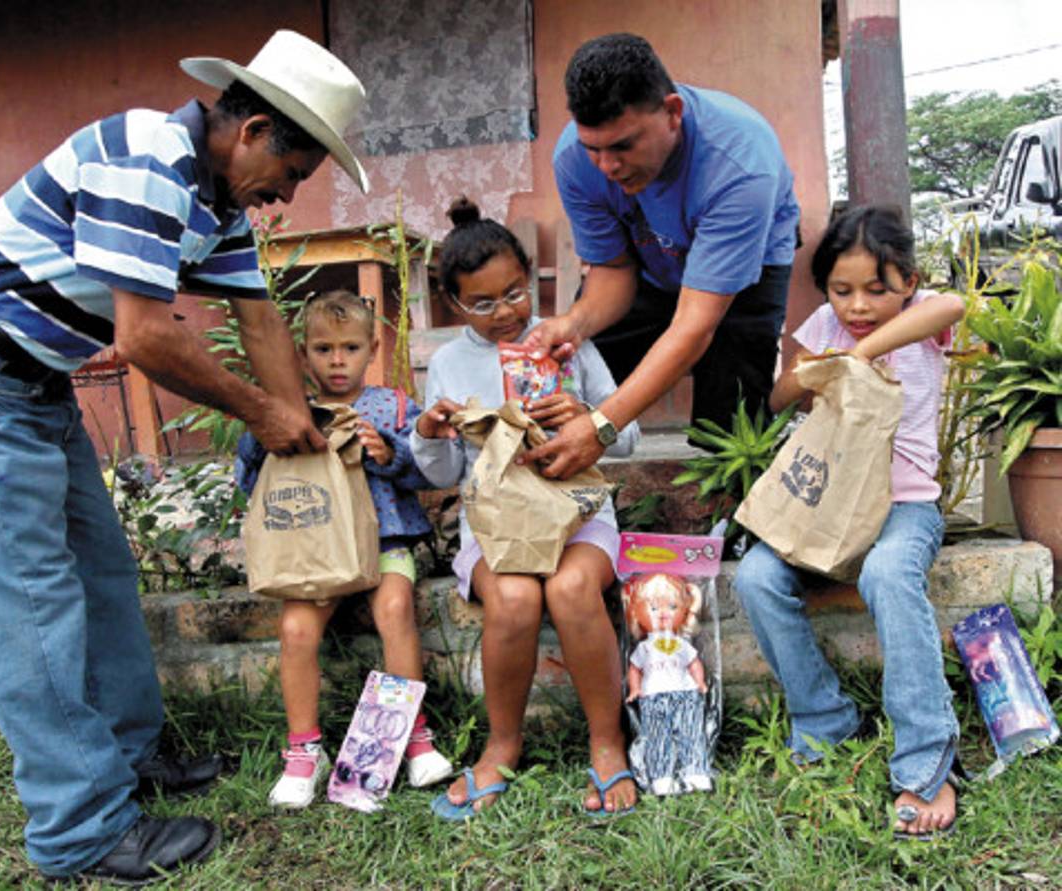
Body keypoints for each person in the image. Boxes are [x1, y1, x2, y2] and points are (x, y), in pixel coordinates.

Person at [0, 30, 370, 885]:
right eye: (290, 176)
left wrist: (305, 426)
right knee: (30, 606)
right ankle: (78, 830)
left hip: (32, 383)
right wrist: (261, 415)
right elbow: (145, 335)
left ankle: (129, 762)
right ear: (253, 130)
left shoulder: (213, 203)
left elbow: (258, 318)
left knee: (103, 575)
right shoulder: (146, 155)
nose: (282, 197)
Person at [732, 205, 965, 840]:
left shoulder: (920, 324)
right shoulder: (822, 324)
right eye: (842, 291)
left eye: (876, 289)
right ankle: (824, 718)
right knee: (754, 577)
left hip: (903, 507)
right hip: (826, 509)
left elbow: (953, 309)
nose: (858, 304)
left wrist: (862, 352)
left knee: (890, 574)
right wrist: (811, 373)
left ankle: (925, 759)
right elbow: (780, 396)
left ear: (908, 282)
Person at [411, 198, 641, 818]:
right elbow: (445, 474)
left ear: (530, 279)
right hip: (496, 526)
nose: (505, 313)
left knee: (569, 591)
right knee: (513, 598)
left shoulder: (563, 340)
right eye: (481, 304)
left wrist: (590, 420)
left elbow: (632, 431)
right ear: (453, 305)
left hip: (577, 516)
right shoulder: (452, 363)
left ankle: (607, 741)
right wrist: (432, 436)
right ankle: (503, 743)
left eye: (514, 293)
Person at [522, 32, 800, 479]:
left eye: (623, 146)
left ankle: (735, 519)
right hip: (653, 262)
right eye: (595, 148)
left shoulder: (741, 164)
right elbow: (613, 270)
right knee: (584, 367)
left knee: (730, 426)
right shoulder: (575, 161)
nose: (607, 167)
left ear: (673, 113)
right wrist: (574, 322)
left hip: (746, 274)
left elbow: (694, 325)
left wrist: (602, 427)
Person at [233, 290, 453, 809]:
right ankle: (304, 752)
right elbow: (251, 484)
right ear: (302, 353)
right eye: (323, 349)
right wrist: (264, 438)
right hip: (314, 551)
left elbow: (427, 470)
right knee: (295, 628)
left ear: (372, 348)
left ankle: (413, 737)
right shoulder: (287, 412)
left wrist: (391, 452)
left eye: (350, 348)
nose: (337, 361)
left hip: (385, 542)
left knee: (396, 607)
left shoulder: (392, 405)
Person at [624, 573, 711, 796]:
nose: (662, 614)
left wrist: (700, 683)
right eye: (653, 608)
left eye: (672, 607)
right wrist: (635, 688)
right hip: (652, 696)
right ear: (637, 611)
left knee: (691, 732)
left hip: (685, 693)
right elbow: (635, 668)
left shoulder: (681, 643)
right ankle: (662, 776)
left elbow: (694, 663)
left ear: (684, 611)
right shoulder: (644, 648)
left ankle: (695, 771)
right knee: (657, 736)